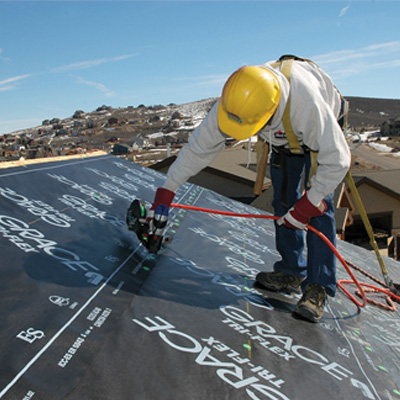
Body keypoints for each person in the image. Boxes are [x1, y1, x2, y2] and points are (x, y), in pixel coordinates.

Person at [136, 55, 351, 323]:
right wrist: (167, 191)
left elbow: (338, 160)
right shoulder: (235, 101)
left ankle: (318, 286)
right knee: (283, 200)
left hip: (317, 135)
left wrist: (308, 205)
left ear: (269, 113)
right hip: (283, 139)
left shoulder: (307, 105)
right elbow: (198, 149)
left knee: (317, 206)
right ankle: (291, 271)